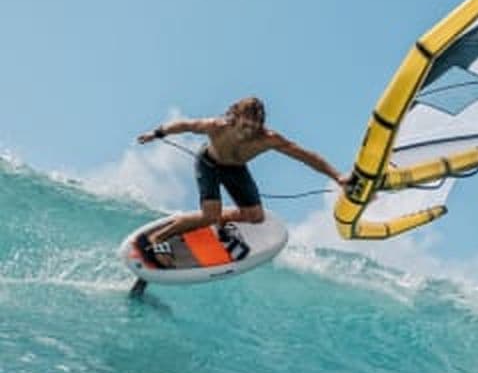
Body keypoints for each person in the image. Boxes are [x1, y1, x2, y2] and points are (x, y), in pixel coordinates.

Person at [136, 96, 348, 268]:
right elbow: (186, 125)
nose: (250, 129)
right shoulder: (216, 126)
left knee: (255, 217)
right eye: (246, 123)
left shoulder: (268, 138)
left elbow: (306, 156)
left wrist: (337, 176)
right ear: (235, 117)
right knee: (210, 215)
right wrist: (157, 133)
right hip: (208, 164)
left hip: (236, 170)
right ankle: (159, 238)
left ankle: (218, 219)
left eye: (255, 125)